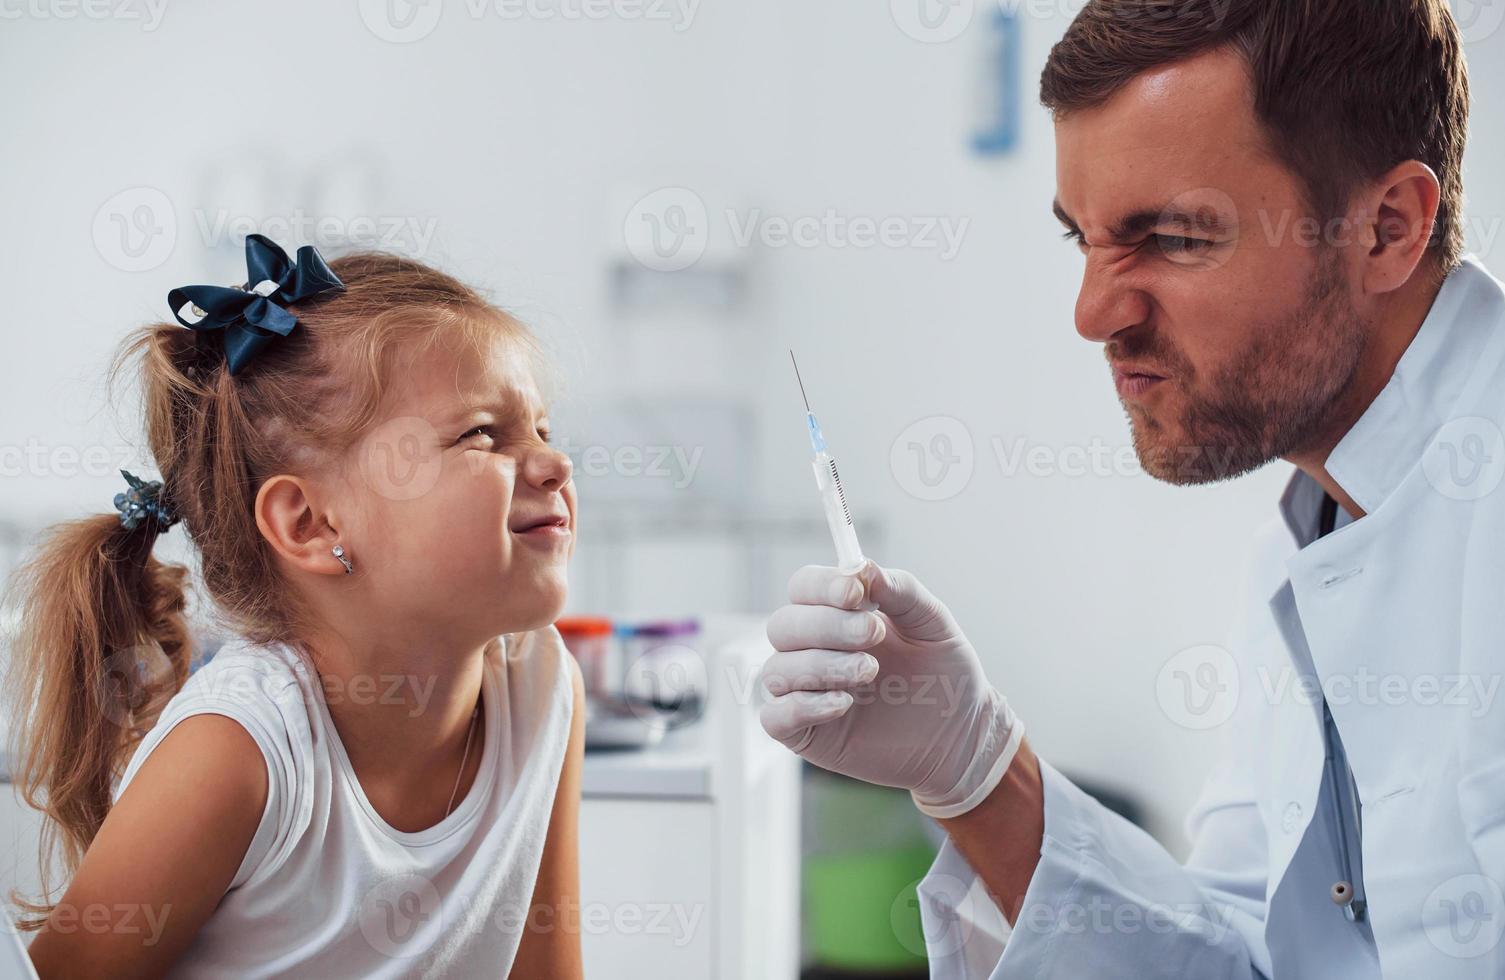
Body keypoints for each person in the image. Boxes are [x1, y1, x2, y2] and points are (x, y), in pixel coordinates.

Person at [760, 0, 1505, 975]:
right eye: (1084, 238)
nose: (1092, 310)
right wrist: (974, 769)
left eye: (1173, 238)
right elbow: (1241, 960)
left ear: (1385, 228)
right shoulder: (1310, 524)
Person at [5, 236, 586, 978]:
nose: (556, 462)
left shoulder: (543, 690)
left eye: (542, 429)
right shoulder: (237, 751)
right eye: (480, 434)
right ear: (310, 526)